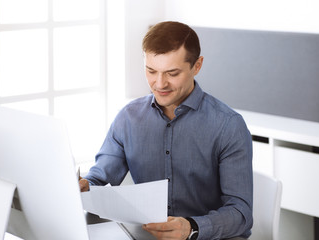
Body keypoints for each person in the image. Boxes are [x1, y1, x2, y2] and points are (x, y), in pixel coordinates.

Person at [79, 21, 253, 240]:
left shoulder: (228, 125)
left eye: (172, 73)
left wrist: (191, 227)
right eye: (151, 71)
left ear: (197, 66)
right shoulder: (128, 118)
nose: (159, 84)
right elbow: (100, 175)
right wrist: (86, 184)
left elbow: (241, 213)